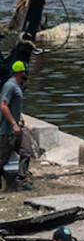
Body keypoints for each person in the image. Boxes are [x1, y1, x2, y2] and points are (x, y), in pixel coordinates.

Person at [1, 60, 35, 191]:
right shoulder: (10, 86)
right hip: (7, 130)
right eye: (25, 71)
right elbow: (3, 105)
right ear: (19, 72)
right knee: (2, 159)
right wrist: (13, 123)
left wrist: (19, 116)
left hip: (16, 130)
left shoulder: (17, 86)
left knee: (26, 152)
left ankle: (22, 181)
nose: (27, 74)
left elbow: (13, 105)